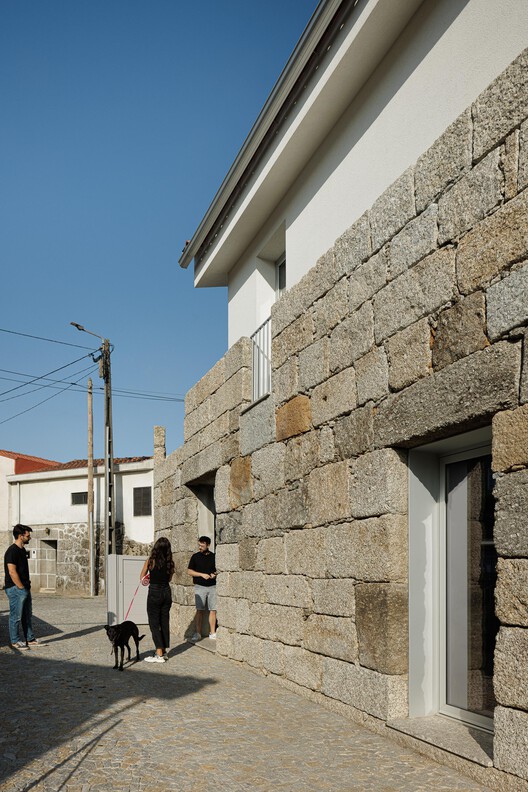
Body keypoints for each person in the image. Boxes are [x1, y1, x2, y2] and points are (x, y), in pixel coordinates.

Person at [4, 523, 47, 650]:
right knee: (15, 616)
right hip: (15, 589)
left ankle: (30, 639)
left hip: (24, 588)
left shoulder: (22, 550)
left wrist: (25, 587)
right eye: (28, 536)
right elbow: (12, 571)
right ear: (20, 536)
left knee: (27, 615)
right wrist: (21, 587)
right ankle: (15, 641)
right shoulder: (12, 551)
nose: (30, 538)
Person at [140, 536, 175, 663]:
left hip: (154, 592)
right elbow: (169, 578)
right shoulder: (170, 562)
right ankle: (164, 651)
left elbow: (142, 576)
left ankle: (159, 654)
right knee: (164, 621)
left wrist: (150, 577)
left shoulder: (151, 561)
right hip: (166, 592)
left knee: (154, 623)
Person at [187, 536, 217, 641]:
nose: (200, 547)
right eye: (199, 545)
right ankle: (198, 633)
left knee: (213, 610)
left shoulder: (214, 556)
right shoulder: (195, 556)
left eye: (202, 545)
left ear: (208, 545)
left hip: (213, 586)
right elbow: (189, 571)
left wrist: (214, 574)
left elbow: (217, 570)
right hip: (199, 587)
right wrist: (201, 575)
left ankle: (212, 633)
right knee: (199, 611)